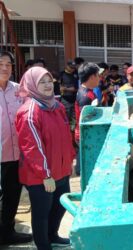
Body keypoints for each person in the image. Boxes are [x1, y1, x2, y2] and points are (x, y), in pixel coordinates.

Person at [15, 66, 75, 250]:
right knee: (42, 213)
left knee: (61, 206)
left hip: (60, 170)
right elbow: (32, 147)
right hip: (41, 176)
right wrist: (45, 175)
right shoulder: (29, 112)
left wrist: (69, 161)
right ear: (32, 84)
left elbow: (65, 136)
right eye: (42, 82)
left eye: (50, 81)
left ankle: (52, 235)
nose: (48, 85)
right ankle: (43, 245)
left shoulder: (56, 106)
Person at [0, 51, 33, 245]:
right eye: (1, 63)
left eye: (8, 64)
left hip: (16, 155)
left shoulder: (18, 90)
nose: (5, 68)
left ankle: (7, 232)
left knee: (13, 196)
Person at [74, 63, 99, 175]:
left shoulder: (83, 90)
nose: (99, 78)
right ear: (92, 76)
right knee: (86, 160)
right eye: (98, 75)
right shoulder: (86, 96)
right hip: (85, 133)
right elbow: (86, 119)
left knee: (81, 155)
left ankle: (79, 170)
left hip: (80, 132)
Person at [59, 60, 79, 132]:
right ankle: (65, 132)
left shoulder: (76, 74)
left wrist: (67, 89)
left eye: (73, 68)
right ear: (66, 66)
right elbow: (59, 87)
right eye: (71, 67)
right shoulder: (62, 74)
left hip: (75, 99)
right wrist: (67, 89)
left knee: (74, 118)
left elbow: (77, 87)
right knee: (65, 117)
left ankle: (73, 133)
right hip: (65, 99)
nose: (72, 69)